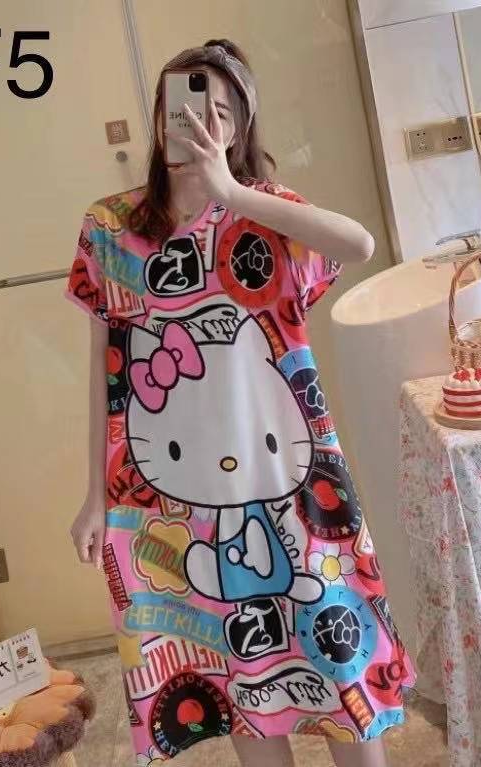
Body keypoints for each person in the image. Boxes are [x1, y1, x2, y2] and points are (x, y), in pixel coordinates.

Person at [67, 39, 413, 767]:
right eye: (184, 107)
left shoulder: (269, 214)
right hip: (174, 502)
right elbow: (105, 370)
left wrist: (232, 193)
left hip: (292, 487)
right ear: (158, 118)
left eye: (221, 112)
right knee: (240, 681)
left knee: (341, 663)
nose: (200, 123)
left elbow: (358, 243)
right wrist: (94, 496)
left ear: (240, 128)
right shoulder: (109, 226)